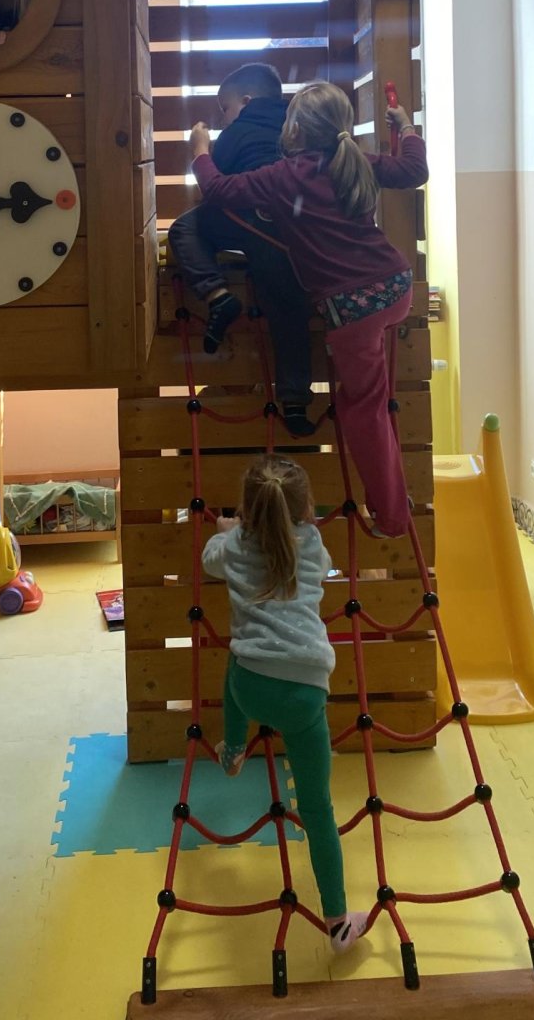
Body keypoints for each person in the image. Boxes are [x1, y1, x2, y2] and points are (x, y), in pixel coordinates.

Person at [189, 81, 427, 538]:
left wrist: (200, 149)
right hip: (395, 287)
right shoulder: (354, 160)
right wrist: (407, 127)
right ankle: (394, 495)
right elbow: (414, 169)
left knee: (364, 412)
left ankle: (393, 516)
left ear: (294, 129)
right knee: (370, 402)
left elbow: (218, 189)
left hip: (354, 308)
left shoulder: (286, 176)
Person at [202, 454, 371, 954]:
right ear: (306, 510)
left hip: (250, 685)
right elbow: (312, 556)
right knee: (317, 808)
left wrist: (224, 530)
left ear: (246, 511)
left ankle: (234, 749)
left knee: (237, 658)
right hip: (305, 692)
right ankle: (338, 922)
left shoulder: (233, 544)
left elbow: (210, 559)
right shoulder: (313, 544)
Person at [168, 63, 316, 436]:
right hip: (293, 234)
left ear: (247, 102)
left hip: (247, 220)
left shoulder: (239, 130)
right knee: (289, 314)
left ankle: (217, 295)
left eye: (225, 108)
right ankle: (296, 404)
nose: (224, 117)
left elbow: (214, 184)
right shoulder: (301, 129)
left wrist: (201, 148)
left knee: (185, 227)